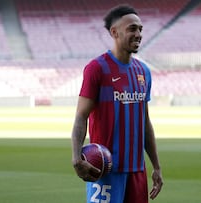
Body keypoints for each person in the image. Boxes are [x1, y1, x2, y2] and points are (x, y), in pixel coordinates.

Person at [71, 4, 163, 203]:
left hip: (138, 171)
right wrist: (76, 157)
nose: (138, 34)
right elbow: (81, 116)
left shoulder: (143, 72)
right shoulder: (97, 68)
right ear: (114, 32)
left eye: (140, 29)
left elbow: (144, 121)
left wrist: (156, 166)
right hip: (105, 169)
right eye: (132, 29)